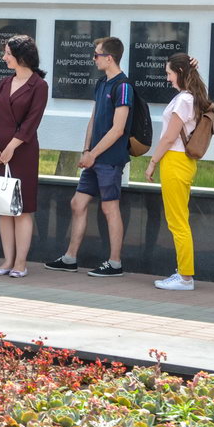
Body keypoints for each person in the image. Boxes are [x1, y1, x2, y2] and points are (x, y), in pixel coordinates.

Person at [45, 36, 132, 277]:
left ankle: (115, 263)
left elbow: (118, 129)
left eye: (97, 55)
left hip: (110, 159)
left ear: (109, 58)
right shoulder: (102, 83)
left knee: (110, 208)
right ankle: (70, 258)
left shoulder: (123, 86)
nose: (94, 59)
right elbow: (94, 119)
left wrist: (93, 154)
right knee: (78, 203)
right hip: (93, 157)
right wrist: (86, 151)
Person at [144, 53, 212, 291]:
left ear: (180, 73)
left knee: (178, 222)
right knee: (179, 220)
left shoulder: (184, 99)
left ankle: (185, 277)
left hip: (175, 161)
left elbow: (169, 137)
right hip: (181, 162)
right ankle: (183, 273)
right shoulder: (191, 97)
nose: (167, 78)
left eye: (169, 73)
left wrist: (152, 162)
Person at [0, 36, 48, 278]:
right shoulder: (4, 82)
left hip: (22, 152)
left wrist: (12, 146)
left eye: (8, 53)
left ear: (22, 56)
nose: (4, 58)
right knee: (4, 207)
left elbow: (32, 121)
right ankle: (7, 260)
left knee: (22, 208)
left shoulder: (39, 86)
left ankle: (20, 263)